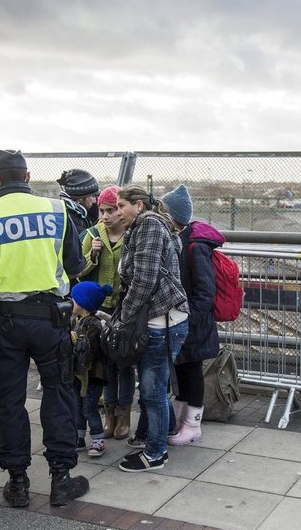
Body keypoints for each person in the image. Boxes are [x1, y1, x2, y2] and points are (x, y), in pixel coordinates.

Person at [0, 149, 90, 508]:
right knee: (58, 394)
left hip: (6, 322)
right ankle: (61, 480)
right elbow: (76, 265)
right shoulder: (57, 211)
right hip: (52, 320)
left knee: (10, 402)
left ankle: (17, 483)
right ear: (28, 177)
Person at [114, 185, 189, 472]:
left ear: (139, 205)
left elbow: (144, 280)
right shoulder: (149, 226)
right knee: (154, 386)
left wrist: (125, 319)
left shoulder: (148, 227)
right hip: (163, 319)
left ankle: (156, 453)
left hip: (161, 322)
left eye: (122, 206)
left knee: (153, 390)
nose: (118, 212)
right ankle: (164, 430)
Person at [161, 184, 225, 445]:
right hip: (185, 318)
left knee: (192, 370)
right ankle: (181, 418)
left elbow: (204, 289)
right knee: (183, 370)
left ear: (173, 214)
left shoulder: (195, 246)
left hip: (193, 321)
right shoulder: (181, 238)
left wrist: (189, 318)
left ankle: (192, 425)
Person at [78, 186, 135, 439]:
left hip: (123, 308)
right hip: (99, 310)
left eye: (110, 210)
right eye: (101, 211)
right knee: (106, 367)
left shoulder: (132, 235)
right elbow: (77, 270)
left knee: (123, 365)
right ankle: (109, 414)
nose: (104, 216)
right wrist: (93, 254)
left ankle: (124, 415)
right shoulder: (92, 235)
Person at [69, 281, 112, 457]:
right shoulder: (80, 321)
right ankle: (78, 437)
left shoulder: (92, 325)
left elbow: (88, 352)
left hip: (93, 375)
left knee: (88, 408)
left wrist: (73, 340)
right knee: (77, 406)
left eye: (74, 299)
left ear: (84, 304)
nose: (72, 301)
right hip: (80, 375)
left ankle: (98, 439)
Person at [57, 168, 100, 236]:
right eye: (93, 196)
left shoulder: (80, 215)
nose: (95, 201)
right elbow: (86, 239)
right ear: (80, 199)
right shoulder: (70, 220)